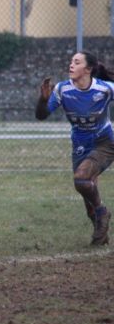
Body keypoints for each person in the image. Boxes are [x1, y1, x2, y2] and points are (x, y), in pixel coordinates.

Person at [35, 50, 113, 246]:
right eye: (71, 61)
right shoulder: (63, 89)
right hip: (80, 145)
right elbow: (41, 115)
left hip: (104, 142)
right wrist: (43, 99)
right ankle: (101, 234)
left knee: (81, 179)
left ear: (88, 69)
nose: (71, 65)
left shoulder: (104, 89)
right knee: (86, 194)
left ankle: (103, 212)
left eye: (77, 62)